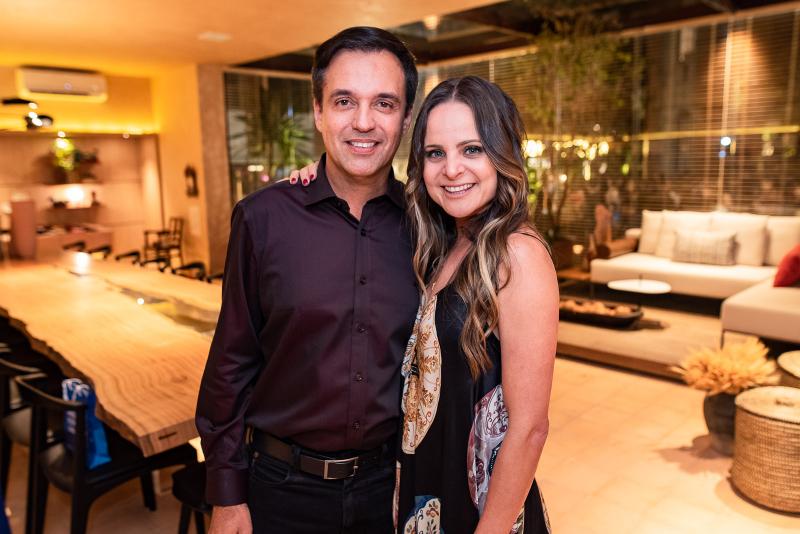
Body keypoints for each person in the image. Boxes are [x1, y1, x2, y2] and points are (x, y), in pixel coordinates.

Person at [295, 76, 557, 533]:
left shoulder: (517, 254)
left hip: (480, 511)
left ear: (503, 155)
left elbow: (530, 428)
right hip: (428, 487)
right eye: (436, 153)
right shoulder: (447, 243)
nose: (452, 169)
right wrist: (311, 180)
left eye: (472, 149)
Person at [195, 26, 421, 534]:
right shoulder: (263, 219)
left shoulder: (429, 227)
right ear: (318, 111)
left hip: (390, 489)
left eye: (384, 104)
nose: (363, 122)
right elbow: (231, 364)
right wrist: (227, 497)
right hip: (280, 490)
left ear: (406, 118)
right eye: (344, 101)